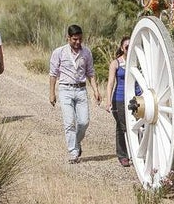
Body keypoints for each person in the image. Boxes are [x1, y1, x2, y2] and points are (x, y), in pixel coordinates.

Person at [48, 24, 102, 164]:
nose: (78, 42)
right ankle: (73, 152)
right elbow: (53, 74)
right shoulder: (58, 52)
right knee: (69, 122)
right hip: (65, 89)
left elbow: (90, 73)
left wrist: (95, 90)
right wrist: (52, 93)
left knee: (84, 122)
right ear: (68, 38)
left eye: (80, 39)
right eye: (74, 39)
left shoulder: (86, 53)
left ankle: (76, 142)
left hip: (81, 90)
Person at [104, 37, 133, 167]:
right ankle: (123, 155)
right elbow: (110, 83)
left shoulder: (137, 61)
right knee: (122, 127)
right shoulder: (115, 63)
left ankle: (137, 153)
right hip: (120, 98)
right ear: (122, 48)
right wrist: (108, 100)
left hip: (135, 97)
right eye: (126, 47)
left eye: (131, 46)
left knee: (138, 126)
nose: (128, 48)